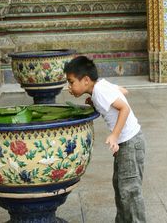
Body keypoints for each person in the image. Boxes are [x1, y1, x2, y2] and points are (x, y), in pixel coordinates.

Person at [64, 55, 146, 223]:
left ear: (86, 80)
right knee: (121, 187)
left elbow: (124, 108)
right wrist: (95, 102)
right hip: (129, 143)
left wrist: (114, 135)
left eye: (71, 82)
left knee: (129, 190)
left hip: (129, 142)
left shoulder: (100, 91)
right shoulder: (100, 87)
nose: (69, 87)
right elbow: (123, 90)